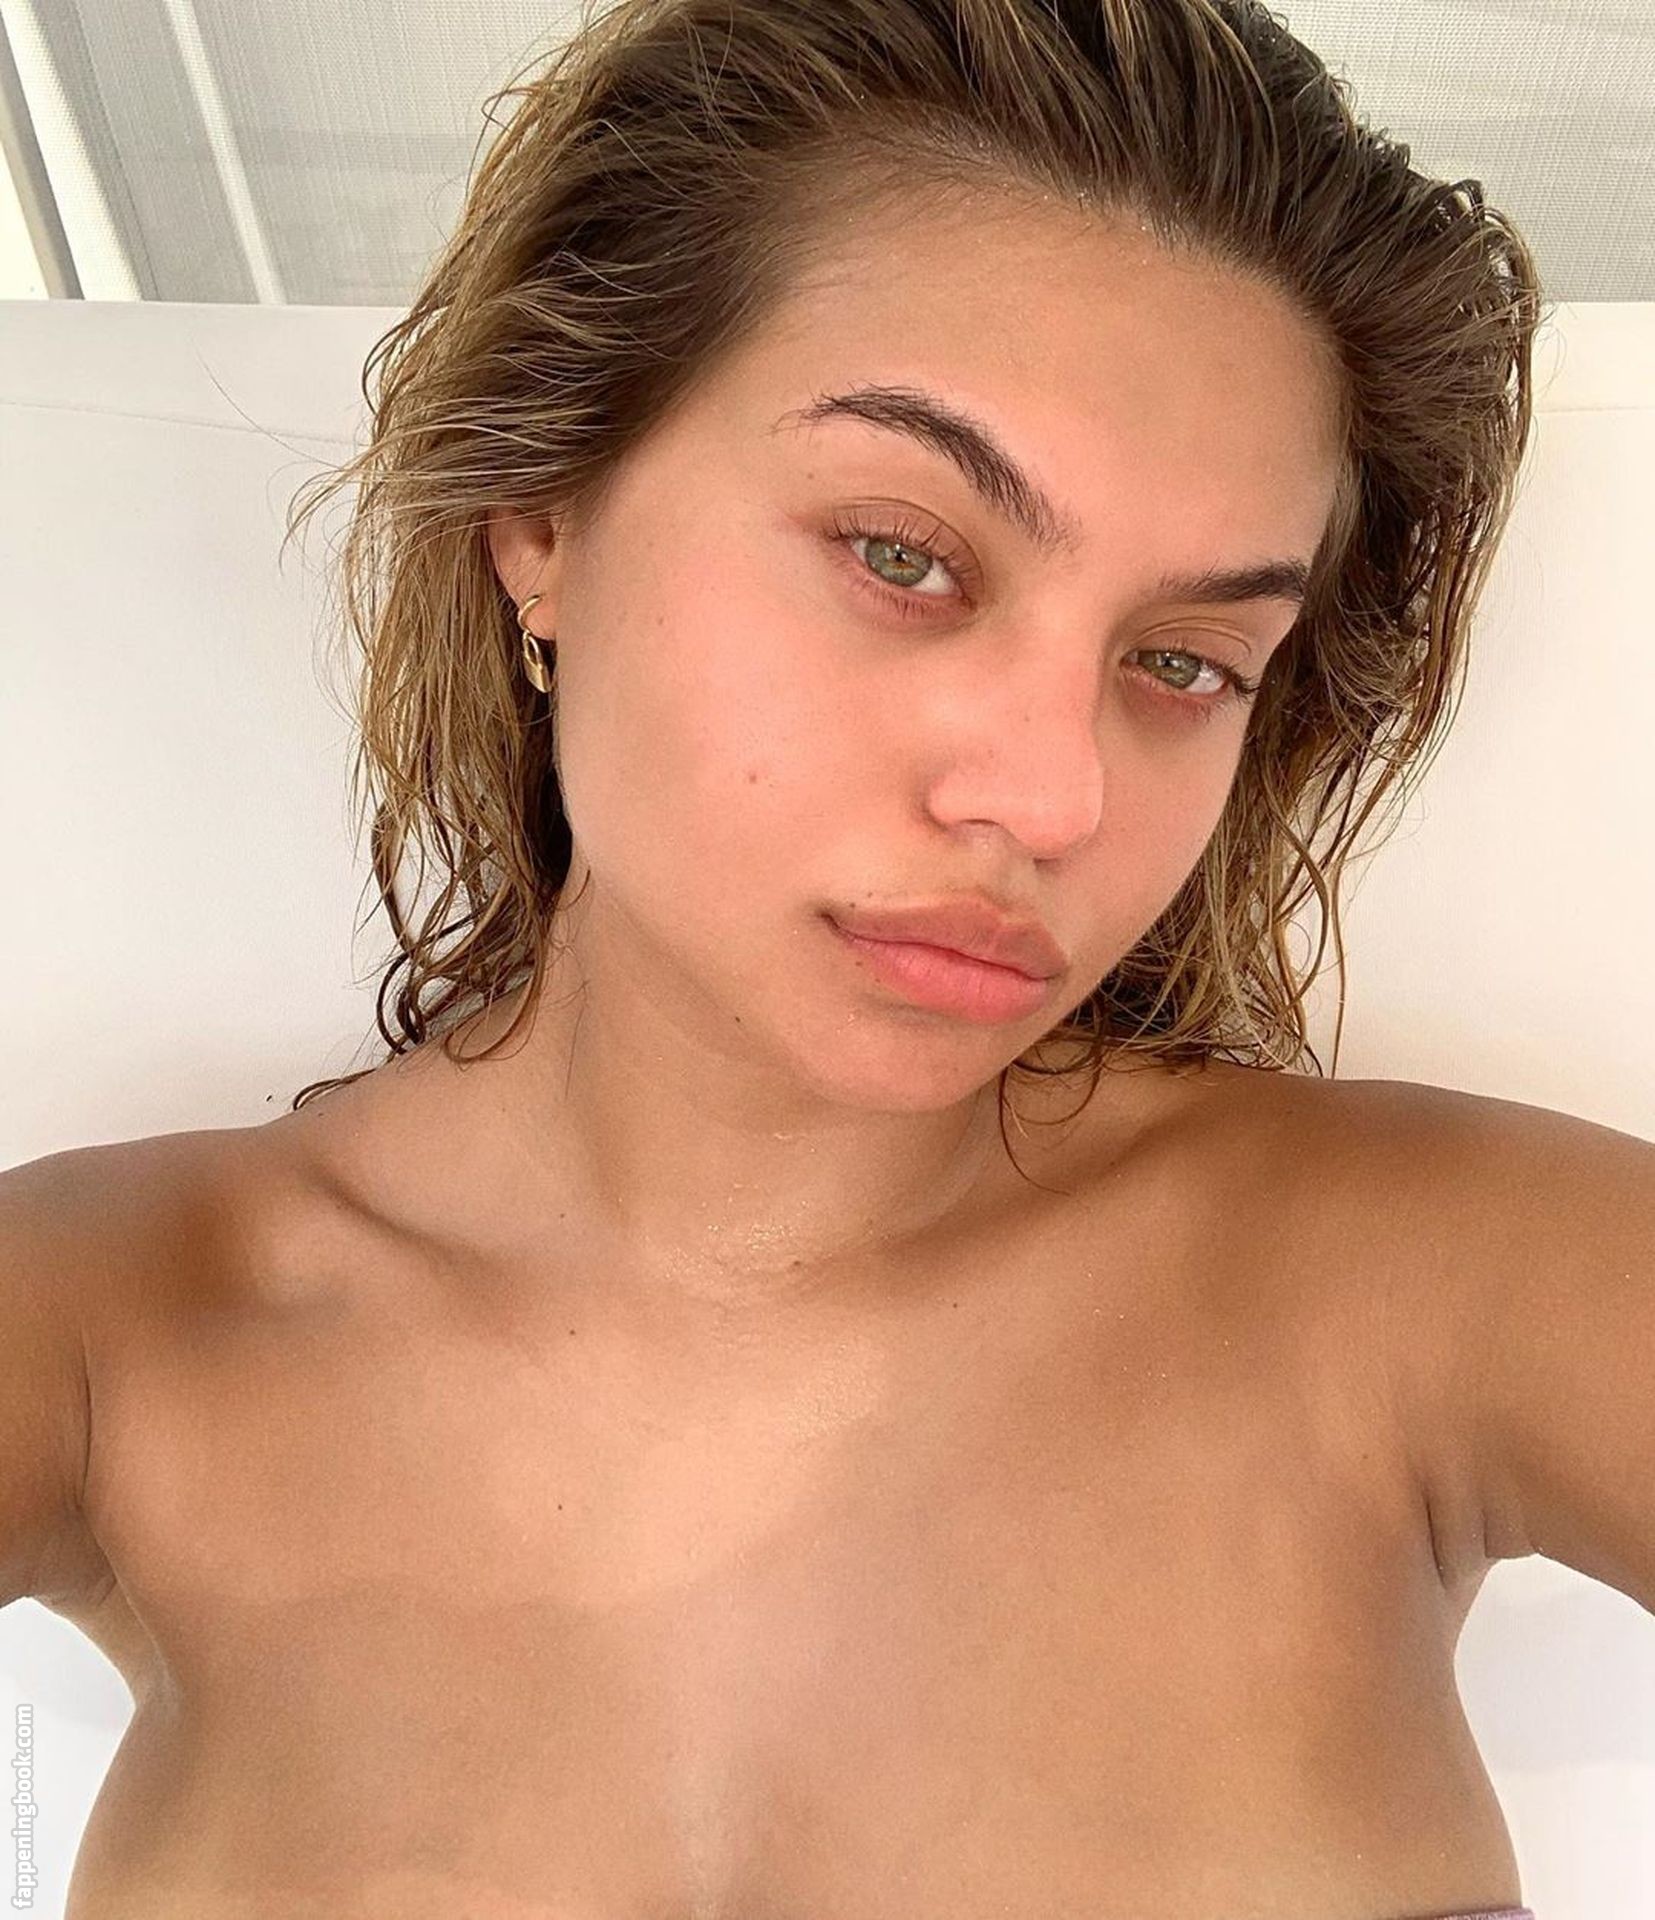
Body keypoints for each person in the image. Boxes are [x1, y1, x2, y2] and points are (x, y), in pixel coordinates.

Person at [15, 0, 1612, 1913]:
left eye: (1184, 663)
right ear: (542, 511)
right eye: (901, 555)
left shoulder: (1442, 1284)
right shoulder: (108, 1332)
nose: (1052, 794)